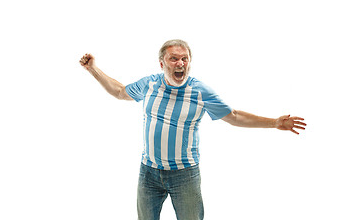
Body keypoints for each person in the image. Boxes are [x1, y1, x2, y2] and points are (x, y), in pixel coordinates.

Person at [79, 39, 306, 220]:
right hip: (148, 171)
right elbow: (120, 92)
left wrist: (274, 122)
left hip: (184, 174)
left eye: (185, 59)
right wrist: (92, 69)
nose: (180, 63)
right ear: (162, 64)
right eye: (174, 59)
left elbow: (234, 116)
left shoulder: (200, 91)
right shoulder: (149, 84)